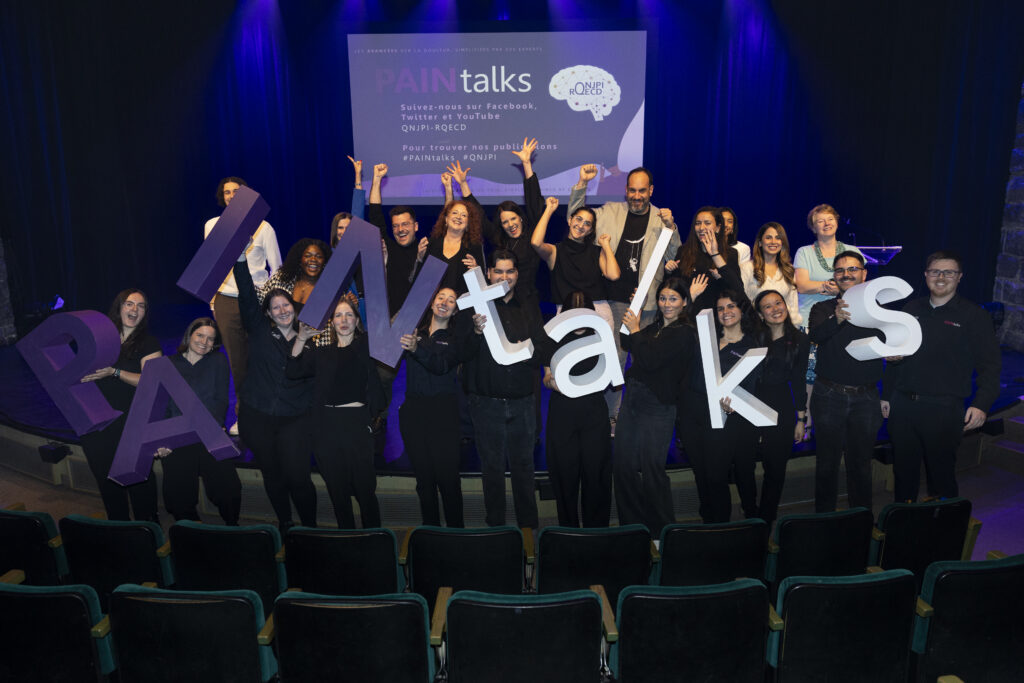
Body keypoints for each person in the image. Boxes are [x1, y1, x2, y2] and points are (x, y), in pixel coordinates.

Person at [883, 250, 1001, 502]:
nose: (941, 277)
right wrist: (886, 395)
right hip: (903, 406)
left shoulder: (974, 316)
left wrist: (981, 405)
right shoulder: (911, 308)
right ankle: (904, 531)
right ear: (926, 275)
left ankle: (945, 534)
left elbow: (991, 366)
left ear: (959, 278)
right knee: (903, 475)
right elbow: (895, 356)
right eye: (935, 271)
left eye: (949, 272)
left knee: (941, 478)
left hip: (944, 409)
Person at [569, 165, 682, 426]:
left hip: (649, 304)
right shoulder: (610, 211)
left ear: (651, 191)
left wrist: (671, 227)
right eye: (632, 190)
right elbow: (575, 220)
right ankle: (611, 417)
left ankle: (645, 414)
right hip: (614, 300)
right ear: (626, 190)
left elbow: (674, 254)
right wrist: (582, 185)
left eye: (642, 191)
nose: (637, 195)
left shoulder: (661, 219)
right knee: (614, 361)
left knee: (647, 362)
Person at [462, 250, 547, 529]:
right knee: (492, 470)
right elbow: (460, 352)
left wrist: (525, 351)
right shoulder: (475, 306)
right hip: (486, 403)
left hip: (523, 401)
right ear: (489, 274)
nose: (504, 277)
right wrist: (474, 333)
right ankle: (496, 530)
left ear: (517, 274)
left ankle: (528, 531)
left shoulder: (529, 305)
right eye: (499, 272)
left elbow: (541, 348)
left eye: (510, 271)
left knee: (525, 469)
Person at [234, 253, 317, 531]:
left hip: (294, 420)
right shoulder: (258, 332)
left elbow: (306, 375)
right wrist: (241, 261)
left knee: (298, 477)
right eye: (275, 307)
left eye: (286, 305)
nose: (282, 310)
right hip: (256, 417)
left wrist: (302, 340)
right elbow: (246, 296)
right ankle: (285, 523)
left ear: (294, 309)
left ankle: (310, 527)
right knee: (272, 475)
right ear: (267, 313)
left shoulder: (309, 342)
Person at [287, 295, 384, 529]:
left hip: (356, 425)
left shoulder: (366, 346)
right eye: (338, 315)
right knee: (338, 493)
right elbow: (292, 371)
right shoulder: (322, 353)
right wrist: (300, 338)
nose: (344, 319)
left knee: (365, 492)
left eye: (349, 314)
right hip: (326, 428)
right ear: (331, 322)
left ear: (357, 321)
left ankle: (375, 544)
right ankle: (348, 544)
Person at [613, 277, 696, 536]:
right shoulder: (655, 327)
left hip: (658, 406)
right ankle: (632, 529)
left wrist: (636, 330)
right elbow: (627, 342)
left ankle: (662, 533)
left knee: (652, 470)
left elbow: (650, 359)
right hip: (633, 402)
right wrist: (634, 312)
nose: (667, 304)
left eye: (673, 299)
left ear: (684, 302)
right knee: (624, 467)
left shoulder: (684, 332)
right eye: (662, 298)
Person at [204, 176, 282, 435]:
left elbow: (277, 269)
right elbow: (210, 266)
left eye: (236, 191)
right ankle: (243, 416)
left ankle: (268, 410)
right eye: (226, 192)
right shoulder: (212, 225)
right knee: (237, 361)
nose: (231, 196)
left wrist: (270, 302)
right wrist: (213, 300)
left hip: (257, 302)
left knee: (260, 358)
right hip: (226, 299)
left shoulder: (264, 228)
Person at [808, 251, 885, 513]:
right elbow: (816, 335)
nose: (846, 274)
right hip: (829, 395)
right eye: (840, 270)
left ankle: (861, 521)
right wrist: (837, 319)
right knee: (826, 464)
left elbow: (893, 347)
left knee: (861, 465)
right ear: (835, 277)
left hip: (867, 398)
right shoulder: (823, 308)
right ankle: (823, 521)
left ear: (864, 273)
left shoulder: (879, 311)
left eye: (853, 269)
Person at [79, 289, 162, 521]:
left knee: (139, 483)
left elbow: (150, 381)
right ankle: (119, 530)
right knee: (108, 484)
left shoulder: (148, 343)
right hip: (99, 423)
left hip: (132, 421)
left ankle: (149, 533)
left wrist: (115, 372)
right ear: (119, 307)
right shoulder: (100, 339)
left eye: (141, 306)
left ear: (145, 313)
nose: (134, 309)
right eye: (129, 304)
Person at [685, 290, 763, 523]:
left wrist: (735, 405)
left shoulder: (751, 347)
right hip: (693, 415)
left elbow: (749, 385)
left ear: (741, 310)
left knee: (716, 475)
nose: (726, 312)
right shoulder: (704, 338)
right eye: (721, 308)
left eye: (731, 307)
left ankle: (721, 526)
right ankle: (707, 520)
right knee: (701, 474)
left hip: (723, 416)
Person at [444, 139, 545, 313]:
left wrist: (527, 164)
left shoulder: (532, 235)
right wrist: (463, 184)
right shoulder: (500, 241)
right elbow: (480, 216)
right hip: (501, 303)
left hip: (528, 303)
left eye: (513, 219)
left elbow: (534, 202)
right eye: (505, 222)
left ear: (521, 218)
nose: (510, 225)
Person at [159, 318, 242, 525]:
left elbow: (220, 400)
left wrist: (211, 425)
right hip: (177, 435)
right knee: (178, 493)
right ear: (190, 335)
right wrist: (162, 439)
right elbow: (163, 405)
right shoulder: (170, 363)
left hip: (208, 431)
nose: (205, 342)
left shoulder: (218, 361)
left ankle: (232, 528)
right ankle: (191, 529)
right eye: (200, 336)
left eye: (210, 339)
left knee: (228, 487)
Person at [543, 291, 612, 528]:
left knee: (596, 473)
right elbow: (546, 377)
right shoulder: (553, 338)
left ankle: (596, 532)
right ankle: (568, 530)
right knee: (565, 474)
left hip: (593, 411)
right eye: (574, 311)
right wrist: (553, 382)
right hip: (563, 411)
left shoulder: (601, 336)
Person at [398, 287, 465, 527]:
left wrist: (417, 349)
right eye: (440, 297)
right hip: (414, 413)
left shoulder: (456, 339)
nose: (445, 302)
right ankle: (431, 535)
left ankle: (457, 536)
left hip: (443, 414)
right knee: (424, 482)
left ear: (455, 310)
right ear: (431, 302)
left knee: (448, 480)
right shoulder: (414, 333)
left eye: (451, 300)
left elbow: (441, 366)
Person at [753, 290, 810, 524]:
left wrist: (801, 419)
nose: (775, 309)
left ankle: (766, 521)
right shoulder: (753, 338)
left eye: (778, 303)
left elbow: (799, 379)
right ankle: (749, 514)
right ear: (760, 314)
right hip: (751, 407)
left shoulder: (800, 340)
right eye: (767, 306)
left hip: (783, 410)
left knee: (775, 471)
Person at [531, 195, 619, 326]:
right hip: (566, 312)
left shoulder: (596, 251)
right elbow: (536, 243)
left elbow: (614, 275)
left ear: (590, 230)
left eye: (587, 223)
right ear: (570, 220)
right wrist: (549, 210)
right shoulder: (555, 251)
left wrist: (606, 245)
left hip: (598, 311)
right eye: (578, 219)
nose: (581, 225)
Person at [666, 206, 744, 314]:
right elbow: (673, 289)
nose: (701, 227)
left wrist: (721, 276)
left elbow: (738, 290)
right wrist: (669, 270)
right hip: (688, 316)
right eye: (698, 223)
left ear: (717, 227)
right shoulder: (684, 251)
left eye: (707, 223)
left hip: (718, 317)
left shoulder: (730, 254)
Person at [741, 222, 802, 326]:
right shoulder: (747, 268)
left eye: (778, 238)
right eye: (768, 237)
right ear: (760, 242)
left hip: (783, 330)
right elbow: (741, 302)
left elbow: (793, 305)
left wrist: (794, 330)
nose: (773, 242)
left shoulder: (788, 270)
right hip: (755, 329)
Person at [426, 199, 486, 295]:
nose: (458, 217)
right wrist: (419, 258)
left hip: (462, 305)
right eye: (455, 213)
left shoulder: (474, 247)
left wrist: (476, 270)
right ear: (446, 219)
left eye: (464, 215)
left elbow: (482, 284)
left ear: (468, 224)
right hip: (433, 305)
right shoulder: (431, 244)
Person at [260, 238, 331, 311]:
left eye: (319, 256)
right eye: (308, 256)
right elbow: (262, 299)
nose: (313, 259)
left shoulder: (329, 289)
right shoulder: (282, 278)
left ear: (325, 262)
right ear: (300, 259)